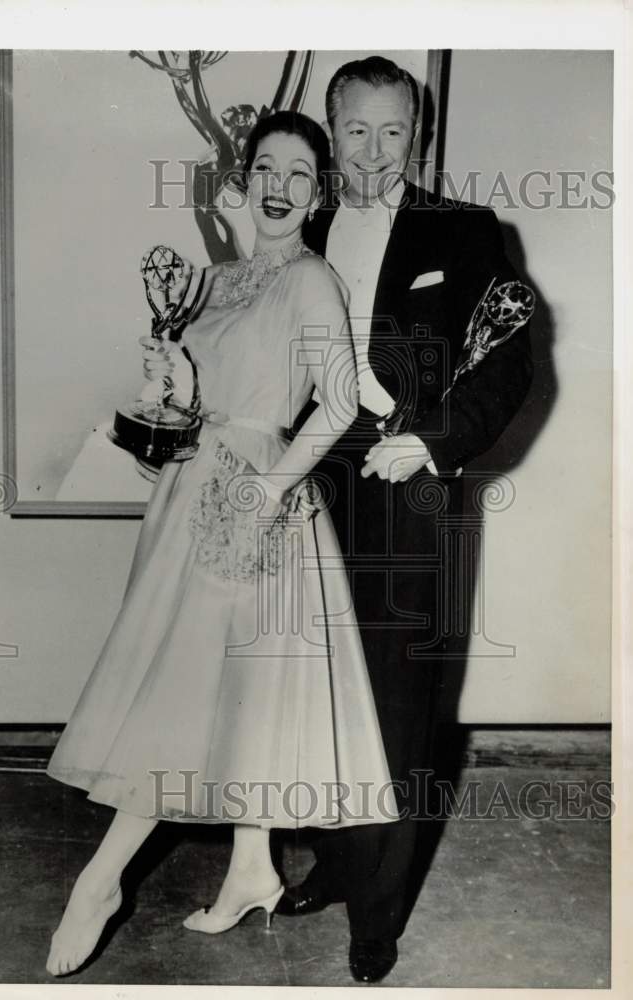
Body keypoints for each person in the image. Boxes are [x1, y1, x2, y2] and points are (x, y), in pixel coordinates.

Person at [44, 111, 400, 978]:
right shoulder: (214, 278)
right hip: (189, 491)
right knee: (217, 683)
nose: (280, 189)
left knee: (183, 685)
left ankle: (101, 881)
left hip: (255, 500)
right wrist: (166, 390)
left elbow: (343, 404)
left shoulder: (314, 281)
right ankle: (250, 868)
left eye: (301, 177)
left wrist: (268, 490)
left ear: (318, 196)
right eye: (266, 170)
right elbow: (190, 405)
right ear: (243, 181)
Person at [280, 56, 534, 983]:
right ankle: (335, 864)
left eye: (395, 132)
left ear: (416, 135)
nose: (375, 152)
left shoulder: (464, 233)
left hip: (403, 487)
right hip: (303, 487)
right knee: (304, 689)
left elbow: (508, 367)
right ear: (329, 124)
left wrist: (429, 440)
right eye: (356, 130)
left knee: (392, 705)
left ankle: (376, 916)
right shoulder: (294, 225)